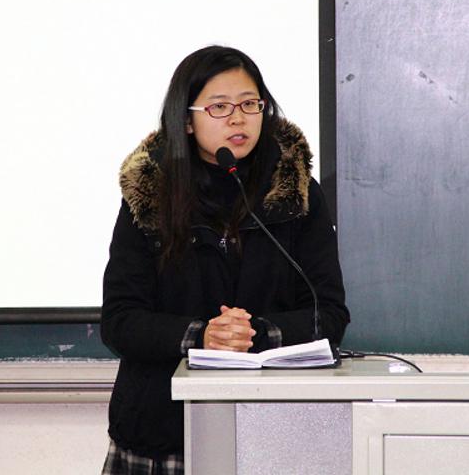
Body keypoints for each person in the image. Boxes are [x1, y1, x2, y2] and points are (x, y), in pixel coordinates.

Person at [100, 45, 350, 475]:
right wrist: (203, 336)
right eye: (219, 107)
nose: (238, 118)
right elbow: (121, 321)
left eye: (250, 104)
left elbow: (329, 314)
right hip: (162, 430)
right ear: (186, 120)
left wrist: (255, 333)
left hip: (277, 435)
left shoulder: (297, 194)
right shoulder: (151, 195)